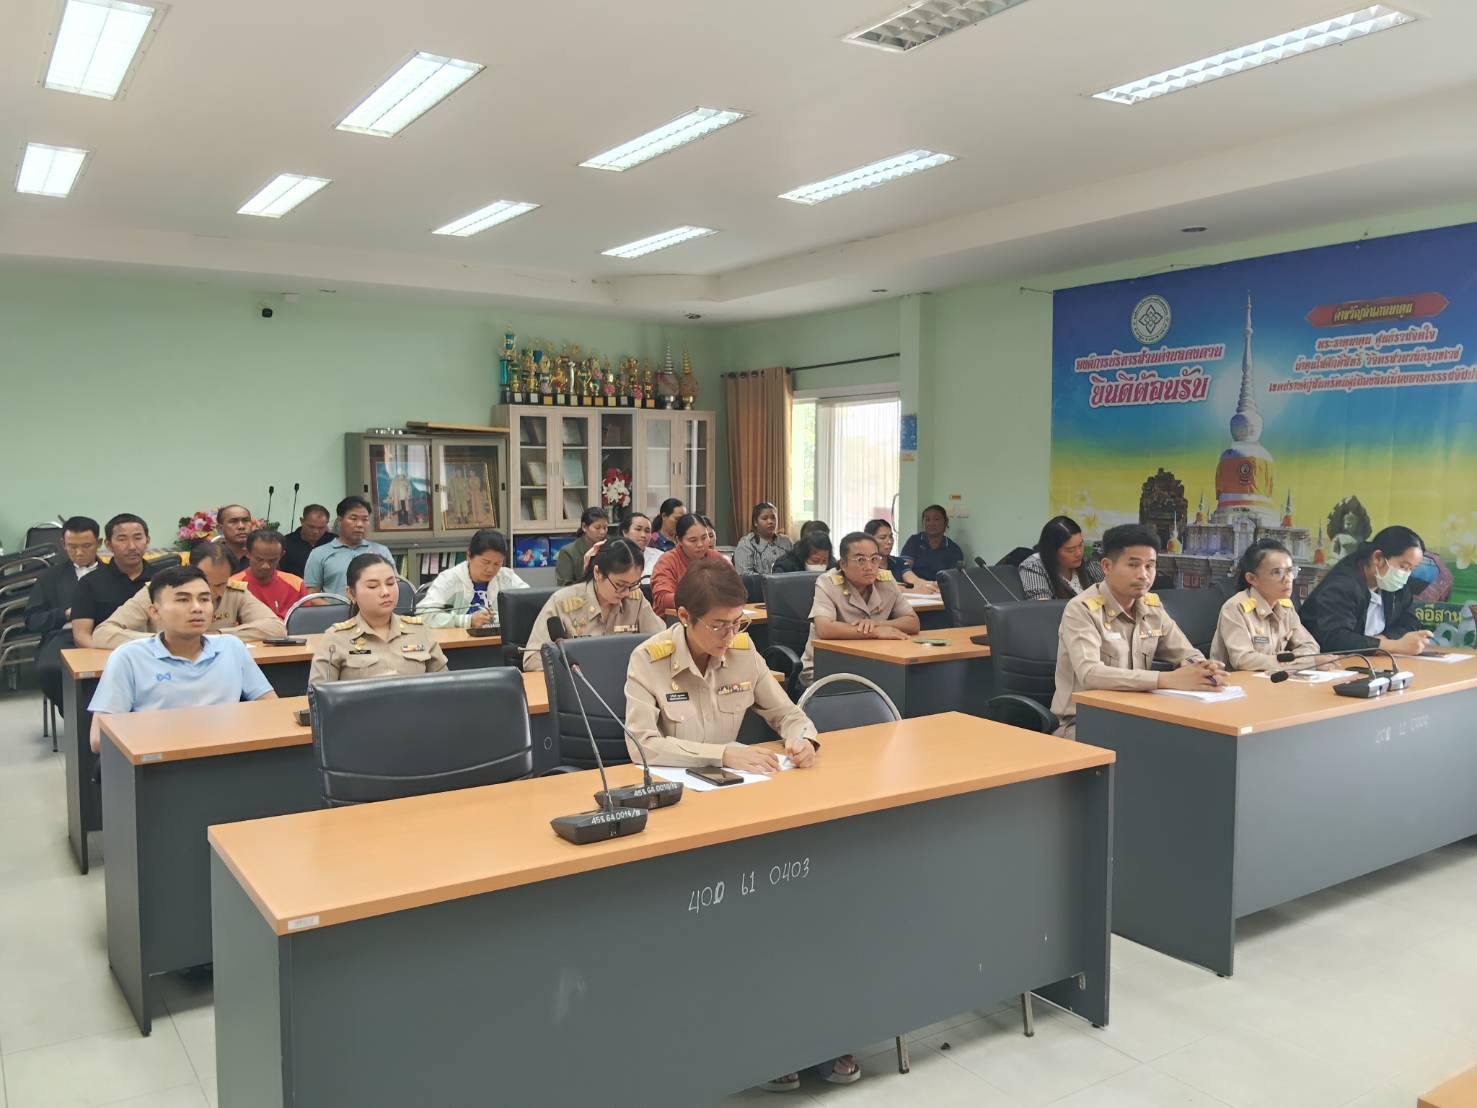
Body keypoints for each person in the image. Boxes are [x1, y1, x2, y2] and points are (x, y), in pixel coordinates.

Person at [621, 559, 860, 1091]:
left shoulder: (745, 653)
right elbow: (642, 745)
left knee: (792, 916)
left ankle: (806, 1033)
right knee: (733, 932)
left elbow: (787, 712)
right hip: (679, 814)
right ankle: (753, 1042)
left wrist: (803, 738)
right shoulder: (649, 659)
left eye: (738, 623)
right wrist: (722, 752)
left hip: (740, 806)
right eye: (718, 626)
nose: (730, 636)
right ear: (684, 617)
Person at [1051, 523, 1225, 739]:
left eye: (1150, 566)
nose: (1144, 575)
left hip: (1139, 716)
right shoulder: (1082, 609)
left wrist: (1201, 668)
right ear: (1106, 566)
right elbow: (1090, 674)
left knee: (1204, 739)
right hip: (1085, 722)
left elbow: (1185, 653)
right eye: (1133, 565)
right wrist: (1165, 679)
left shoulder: (1151, 607)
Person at [87, 565, 277, 752]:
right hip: (162, 760)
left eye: (204, 599)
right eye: (183, 600)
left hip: (227, 755)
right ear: (155, 612)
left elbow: (272, 709)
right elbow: (98, 739)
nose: (197, 608)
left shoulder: (231, 647)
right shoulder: (129, 657)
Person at [94, 542, 286, 645]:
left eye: (220, 584)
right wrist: (165, 641)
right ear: (189, 569)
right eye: (206, 583)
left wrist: (217, 636)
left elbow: (276, 627)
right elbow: (103, 634)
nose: (211, 592)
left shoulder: (235, 592)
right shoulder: (158, 590)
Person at [521, 538, 663, 671]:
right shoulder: (563, 602)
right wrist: (571, 671)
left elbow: (662, 642)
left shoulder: (635, 599)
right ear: (597, 573)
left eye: (633, 585)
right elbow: (533, 659)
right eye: (620, 585)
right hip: (578, 682)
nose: (626, 593)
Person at [308, 553, 448, 684]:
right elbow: (320, 695)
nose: (385, 592)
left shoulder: (419, 631)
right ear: (351, 593)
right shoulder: (336, 639)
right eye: (373, 586)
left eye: (391, 583)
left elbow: (444, 686)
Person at [802, 531, 920, 681]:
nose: (869, 567)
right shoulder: (827, 583)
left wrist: (878, 624)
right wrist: (875, 632)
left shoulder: (886, 581)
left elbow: (913, 622)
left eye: (874, 559)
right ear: (843, 564)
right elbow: (824, 628)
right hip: (827, 668)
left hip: (873, 665)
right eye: (860, 560)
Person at [1299, 524, 1434, 655]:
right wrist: (1393, 646)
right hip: (1327, 662)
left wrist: (1385, 639)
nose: (1406, 574)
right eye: (1403, 566)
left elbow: (1410, 622)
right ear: (1378, 558)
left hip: (1371, 659)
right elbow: (1335, 638)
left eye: (1412, 569)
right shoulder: (1342, 585)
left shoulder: (1394, 584)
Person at [25, 516, 102, 715]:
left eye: (86, 546)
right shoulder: (50, 577)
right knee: (48, 669)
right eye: (72, 547)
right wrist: (65, 614)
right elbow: (32, 620)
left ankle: (100, 715)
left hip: (102, 635)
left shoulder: (111, 574)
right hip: (63, 636)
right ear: (63, 544)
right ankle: (73, 714)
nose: (79, 553)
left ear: (99, 543)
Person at [1211, 539, 1322, 672]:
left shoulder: (1285, 606)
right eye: (1277, 572)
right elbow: (1243, 660)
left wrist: (1290, 659)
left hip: (1273, 678)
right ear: (1252, 579)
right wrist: (1301, 662)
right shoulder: (1235, 608)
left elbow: (1310, 646)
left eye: (1290, 571)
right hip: (1237, 681)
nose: (1288, 579)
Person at [70, 513, 156, 648]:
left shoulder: (162, 580)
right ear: (108, 544)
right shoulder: (89, 583)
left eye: (138, 538)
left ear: (147, 540)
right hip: (105, 654)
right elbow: (81, 636)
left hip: (156, 653)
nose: (132, 546)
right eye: (122, 539)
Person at [417, 528, 528, 629]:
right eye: (485, 562)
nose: (490, 569)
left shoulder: (506, 577)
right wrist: (467, 620)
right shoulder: (450, 579)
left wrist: (499, 618)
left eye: (497, 564)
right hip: (458, 642)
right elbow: (424, 615)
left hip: (499, 641)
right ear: (469, 556)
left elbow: (531, 604)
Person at [303, 497, 393, 597]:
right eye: (353, 519)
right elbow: (311, 596)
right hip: (336, 607)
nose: (360, 525)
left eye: (365, 520)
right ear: (339, 520)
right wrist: (336, 606)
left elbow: (394, 585)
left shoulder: (381, 551)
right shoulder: (319, 554)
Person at [1018, 516, 1105, 601]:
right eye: (1071, 550)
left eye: (1080, 545)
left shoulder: (1088, 561)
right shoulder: (1034, 566)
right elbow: (1042, 608)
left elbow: (1108, 592)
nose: (1079, 553)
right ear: (1052, 551)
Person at [229, 529, 306, 620]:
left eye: (272, 560)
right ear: (247, 553)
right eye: (259, 560)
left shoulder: (297, 584)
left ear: (281, 555)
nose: (265, 566)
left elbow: (307, 619)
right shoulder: (232, 586)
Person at [650, 513, 720, 613]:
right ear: (679, 540)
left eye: (704, 538)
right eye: (693, 540)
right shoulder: (667, 561)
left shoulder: (716, 558)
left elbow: (734, 588)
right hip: (673, 619)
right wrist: (699, 600)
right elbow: (663, 598)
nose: (700, 544)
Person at [900, 505, 965, 583]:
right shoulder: (914, 541)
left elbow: (954, 578)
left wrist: (934, 586)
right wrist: (920, 584)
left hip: (941, 588)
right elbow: (904, 568)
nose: (931, 523)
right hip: (915, 585)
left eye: (936, 519)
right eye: (927, 520)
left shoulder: (954, 549)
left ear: (946, 522)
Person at [864, 518, 932, 592]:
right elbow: (881, 588)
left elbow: (914, 580)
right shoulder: (864, 564)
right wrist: (913, 590)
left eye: (891, 536)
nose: (889, 542)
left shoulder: (899, 562)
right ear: (869, 540)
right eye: (882, 538)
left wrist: (932, 584)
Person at [732, 502, 793, 575]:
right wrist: (770, 579)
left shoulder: (786, 541)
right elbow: (745, 575)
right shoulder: (746, 544)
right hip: (760, 582)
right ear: (755, 522)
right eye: (765, 518)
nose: (770, 522)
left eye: (773, 518)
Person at [555, 507, 609, 587]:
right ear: (584, 527)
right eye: (597, 528)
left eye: (605, 527)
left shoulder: (610, 547)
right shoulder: (568, 552)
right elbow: (565, 586)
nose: (602, 532)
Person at [281, 504, 333, 577]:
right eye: (311, 527)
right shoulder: (286, 543)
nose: (316, 531)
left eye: (321, 528)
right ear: (302, 521)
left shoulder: (334, 542)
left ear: (327, 524)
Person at [620, 512, 662, 577]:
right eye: (638, 529)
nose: (643, 535)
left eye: (647, 531)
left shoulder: (660, 557)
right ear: (625, 532)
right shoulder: (612, 556)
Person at [215, 504, 254, 573]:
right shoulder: (212, 558)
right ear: (220, 528)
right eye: (233, 521)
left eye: (245, 520)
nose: (241, 526)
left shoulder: (263, 556)